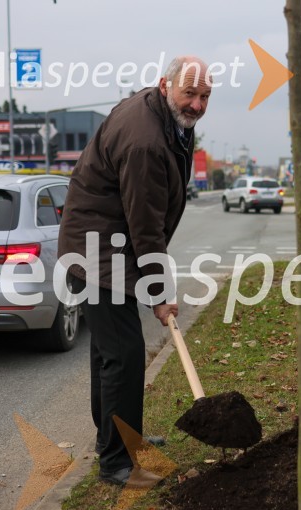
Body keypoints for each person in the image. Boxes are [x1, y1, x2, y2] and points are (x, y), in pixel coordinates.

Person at [58, 56, 212, 484]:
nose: (197, 105)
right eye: (190, 94)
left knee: (110, 355)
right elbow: (145, 226)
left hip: (105, 249)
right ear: (165, 85)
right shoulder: (145, 139)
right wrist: (160, 293)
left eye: (205, 96)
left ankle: (122, 439)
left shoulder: (163, 115)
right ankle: (117, 462)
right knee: (123, 358)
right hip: (97, 256)